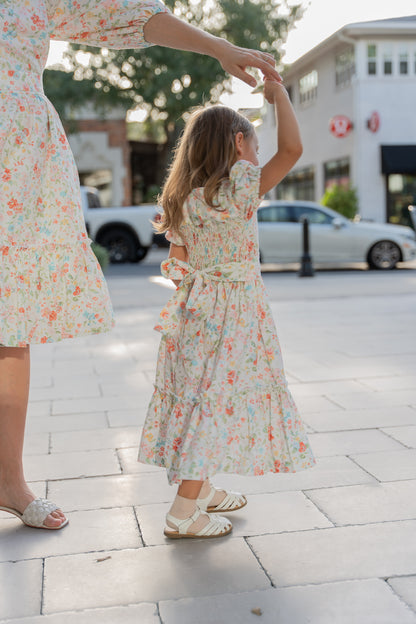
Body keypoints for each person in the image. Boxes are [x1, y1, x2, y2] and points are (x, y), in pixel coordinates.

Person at [0, 0, 284, 531]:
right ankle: (188, 503)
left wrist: (220, 47)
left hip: (13, 162)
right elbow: (289, 152)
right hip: (225, 309)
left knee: (10, 322)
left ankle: (7, 480)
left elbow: (122, 13)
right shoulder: (228, 193)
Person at [138, 79, 316, 539]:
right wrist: (279, 96)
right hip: (235, 315)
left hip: (194, 313)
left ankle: (204, 489)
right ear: (238, 143)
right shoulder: (239, 186)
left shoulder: (185, 197)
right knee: (215, 405)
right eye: (254, 145)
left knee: (200, 396)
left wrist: (198, 287)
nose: (258, 157)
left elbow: (176, 265)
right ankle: (183, 512)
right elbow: (293, 149)